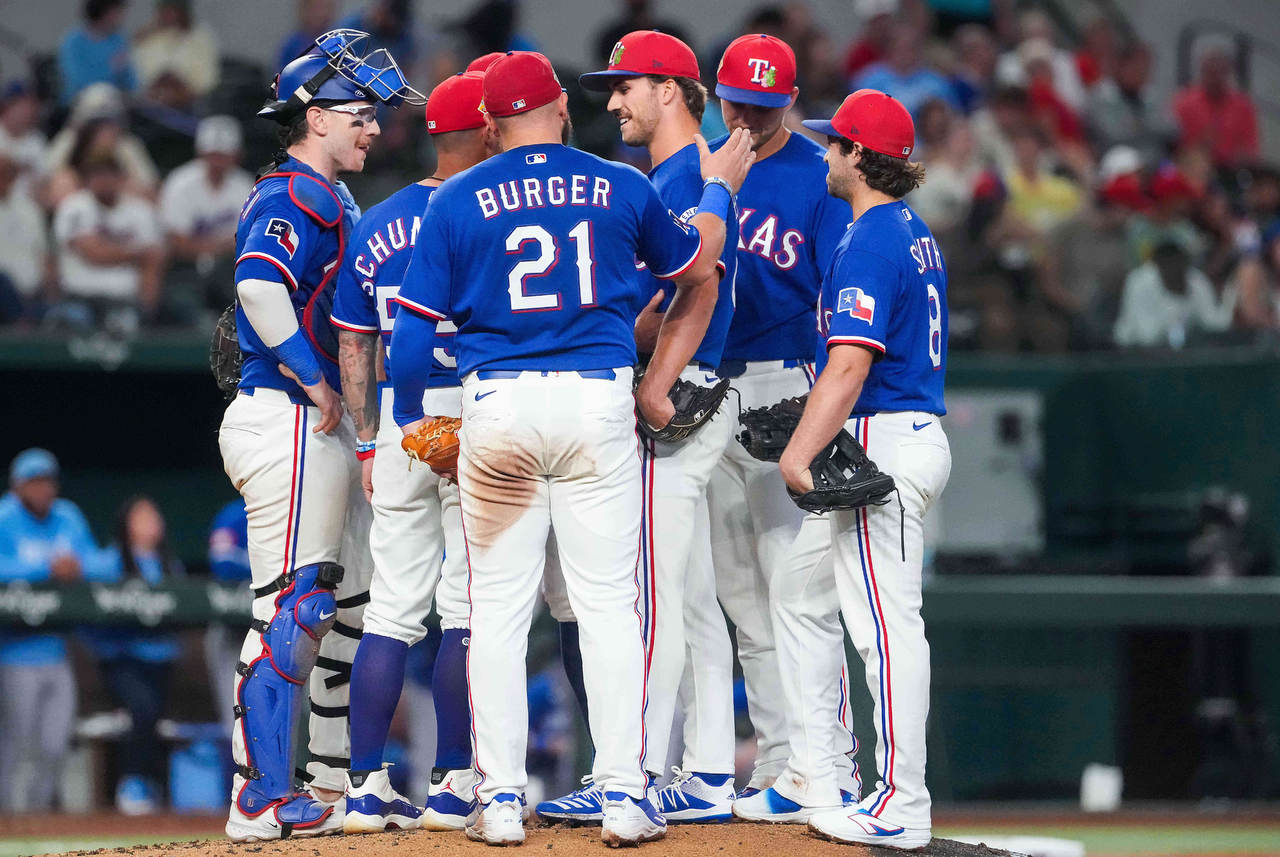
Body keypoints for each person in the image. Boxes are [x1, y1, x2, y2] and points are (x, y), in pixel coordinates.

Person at [388, 49, 754, 846]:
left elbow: (411, 337)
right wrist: (720, 188)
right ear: (559, 106)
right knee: (608, 607)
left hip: (500, 407)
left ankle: (501, 799)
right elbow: (696, 265)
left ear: (490, 124)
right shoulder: (618, 183)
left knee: (496, 613)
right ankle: (623, 791)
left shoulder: (455, 197)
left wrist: (412, 418)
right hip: (596, 401)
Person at [218, 29, 423, 842]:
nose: (373, 129)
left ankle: (334, 784)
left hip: (314, 421)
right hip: (289, 414)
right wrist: (313, 376)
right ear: (316, 117)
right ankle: (258, 796)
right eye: (359, 116)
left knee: (349, 608)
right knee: (292, 606)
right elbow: (258, 287)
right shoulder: (296, 193)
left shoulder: (327, 194)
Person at [537, 30, 742, 827]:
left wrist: (633, 365)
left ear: (671, 89)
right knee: (691, 598)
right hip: (703, 389)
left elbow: (698, 287)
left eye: (627, 85)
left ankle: (636, 772)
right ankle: (710, 771)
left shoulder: (689, 173)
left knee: (648, 597)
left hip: (680, 393)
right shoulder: (682, 173)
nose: (615, 101)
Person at [769, 89, 950, 849]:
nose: (825, 153)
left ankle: (904, 802)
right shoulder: (906, 227)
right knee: (798, 593)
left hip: (886, 441)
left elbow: (848, 365)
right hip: (893, 432)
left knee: (885, 628)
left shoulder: (873, 238)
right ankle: (822, 771)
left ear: (858, 155)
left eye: (834, 143)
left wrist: (799, 451)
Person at [685, 32, 860, 811]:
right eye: (739, 104)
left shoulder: (819, 175)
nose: (750, 119)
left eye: (765, 106)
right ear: (719, 97)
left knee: (798, 587)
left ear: (790, 100)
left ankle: (830, 762)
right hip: (704, 386)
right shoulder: (696, 167)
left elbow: (833, 299)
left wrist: (820, 406)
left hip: (783, 383)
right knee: (742, 596)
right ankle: (782, 762)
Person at [331, 68, 497, 834]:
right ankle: (454, 780)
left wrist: (369, 438)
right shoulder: (490, 212)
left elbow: (354, 342)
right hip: (472, 410)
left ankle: (364, 786)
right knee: (464, 605)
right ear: (487, 131)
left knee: (392, 607)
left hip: (401, 417)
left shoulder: (378, 221)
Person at [0, 449, 97, 813]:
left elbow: (98, 561)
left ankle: (38, 820)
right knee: (17, 744)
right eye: (34, 482)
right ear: (18, 486)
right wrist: (47, 567)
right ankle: (8, 819)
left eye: (48, 481)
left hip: (57, 649)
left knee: (55, 744)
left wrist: (79, 566)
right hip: (14, 651)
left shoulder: (67, 516)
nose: (43, 489)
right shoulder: (5, 516)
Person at [81, 495, 184, 815]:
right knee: (143, 708)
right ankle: (132, 783)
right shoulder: (106, 561)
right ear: (126, 523)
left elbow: (185, 607)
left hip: (162, 660)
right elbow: (81, 604)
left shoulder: (169, 564)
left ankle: (150, 785)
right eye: (141, 517)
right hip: (122, 659)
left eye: (153, 516)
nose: (150, 524)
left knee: (153, 716)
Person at [50, 153, 164, 333]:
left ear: (121, 177)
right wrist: (137, 253)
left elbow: (154, 259)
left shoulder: (141, 211)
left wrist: (146, 308)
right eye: (97, 175)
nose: (103, 181)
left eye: (109, 174)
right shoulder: (74, 207)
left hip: (125, 300)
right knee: (71, 320)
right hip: (80, 298)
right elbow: (94, 253)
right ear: (87, 179)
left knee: (133, 322)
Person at [158, 116, 254, 314]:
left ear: (236, 155)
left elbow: (249, 239)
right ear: (200, 153)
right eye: (212, 155)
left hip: (231, 268)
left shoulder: (245, 184)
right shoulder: (180, 182)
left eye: (223, 155)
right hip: (185, 269)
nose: (217, 162)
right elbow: (176, 242)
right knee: (185, 306)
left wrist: (211, 247)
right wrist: (220, 245)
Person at [1113, 240, 1234, 348]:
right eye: (1168, 263)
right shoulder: (1139, 282)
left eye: (1178, 262)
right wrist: (1176, 304)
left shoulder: (1196, 280)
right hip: (1132, 350)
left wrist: (1230, 296)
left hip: (1182, 351)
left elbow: (1215, 324)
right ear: (1157, 264)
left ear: (1185, 261)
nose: (1174, 268)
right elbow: (1147, 337)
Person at [1173, 43, 1260, 170]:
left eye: (1219, 73)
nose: (1214, 79)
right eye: (1209, 72)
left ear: (1228, 73)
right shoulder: (1184, 102)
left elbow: (1250, 149)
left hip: (1231, 170)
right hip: (1191, 169)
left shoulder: (1243, 106)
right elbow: (1175, 146)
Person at [132, 0, 220, 109]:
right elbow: (135, 73)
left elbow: (207, 80)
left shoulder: (200, 36)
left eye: (173, 10)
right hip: (150, 100)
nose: (168, 15)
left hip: (190, 101)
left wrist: (179, 85)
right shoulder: (147, 35)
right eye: (164, 10)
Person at [57, 0, 137, 105]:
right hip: (80, 101)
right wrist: (111, 69)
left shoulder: (118, 40)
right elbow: (77, 80)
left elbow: (131, 81)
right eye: (117, 12)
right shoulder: (74, 42)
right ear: (104, 12)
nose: (122, 17)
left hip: (116, 100)